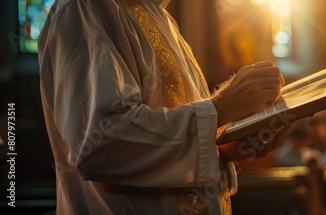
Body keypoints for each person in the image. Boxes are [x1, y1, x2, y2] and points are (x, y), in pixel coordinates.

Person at [38, 0, 290, 214]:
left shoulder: (162, 20)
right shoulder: (85, 9)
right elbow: (101, 143)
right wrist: (221, 107)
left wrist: (227, 147)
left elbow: (181, 140)